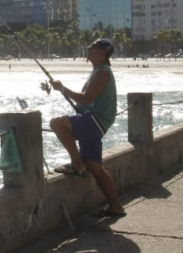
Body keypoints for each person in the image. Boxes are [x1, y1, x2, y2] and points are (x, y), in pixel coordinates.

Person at [41, 38, 126, 218]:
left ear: (103, 52)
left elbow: (87, 98)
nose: (88, 49)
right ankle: (116, 207)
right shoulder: (97, 71)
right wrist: (60, 89)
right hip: (95, 121)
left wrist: (62, 89)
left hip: (96, 120)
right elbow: (87, 100)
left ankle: (76, 164)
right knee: (94, 165)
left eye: (93, 47)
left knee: (57, 123)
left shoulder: (103, 72)